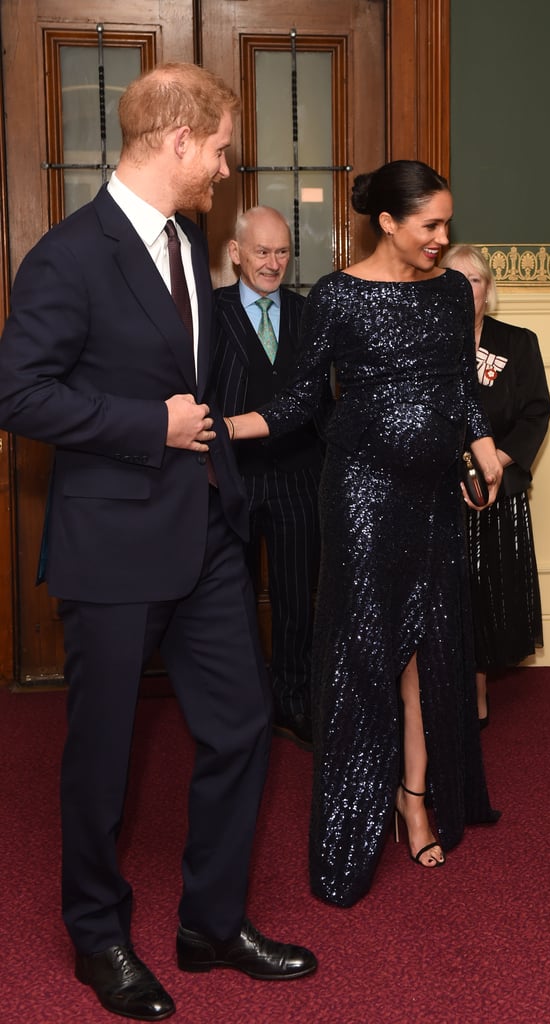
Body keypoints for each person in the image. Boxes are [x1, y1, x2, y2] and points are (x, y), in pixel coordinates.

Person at [0, 63, 316, 1022]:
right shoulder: (68, 255)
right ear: (178, 138)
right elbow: (16, 394)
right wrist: (152, 425)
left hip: (205, 532)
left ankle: (211, 924)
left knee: (241, 725)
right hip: (114, 545)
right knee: (101, 754)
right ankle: (98, 933)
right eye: (220, 147)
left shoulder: (187, 242)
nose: (225, 167)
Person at [225, 159, 502, 907]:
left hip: (435, 497)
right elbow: (296, 403)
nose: (444, 239)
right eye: (430, 225)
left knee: (428, 650)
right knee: (365, 654)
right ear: (387, 221)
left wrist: (480, 447)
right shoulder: (338, 297)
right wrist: (220, 429)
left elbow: (457, 384)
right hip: (362, 496)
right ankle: (356, 818)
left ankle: (414, 797)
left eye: (448, 223)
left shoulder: (448, 292)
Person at [212, 206, 333, 751]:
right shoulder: (208, 315)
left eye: (282, 251)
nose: (273, 263)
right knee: (227, 600)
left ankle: (292, 701)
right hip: (229, 482)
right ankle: (239, 707)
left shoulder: (309, 314)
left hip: (298, 479)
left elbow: (323, 400)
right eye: (262, 251)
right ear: (236, 253)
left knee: (293, 600)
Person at [440, 244, 550, 726]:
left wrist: (492, 467)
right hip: (435, 494)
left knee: (484, 597)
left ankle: (477, 694)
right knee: (442, 600)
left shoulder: (518, 343)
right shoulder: (423, 343)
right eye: (455, 280)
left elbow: (535, 414)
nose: (467, 291)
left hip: (496, 494)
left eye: (476, 281)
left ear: (489, 288)